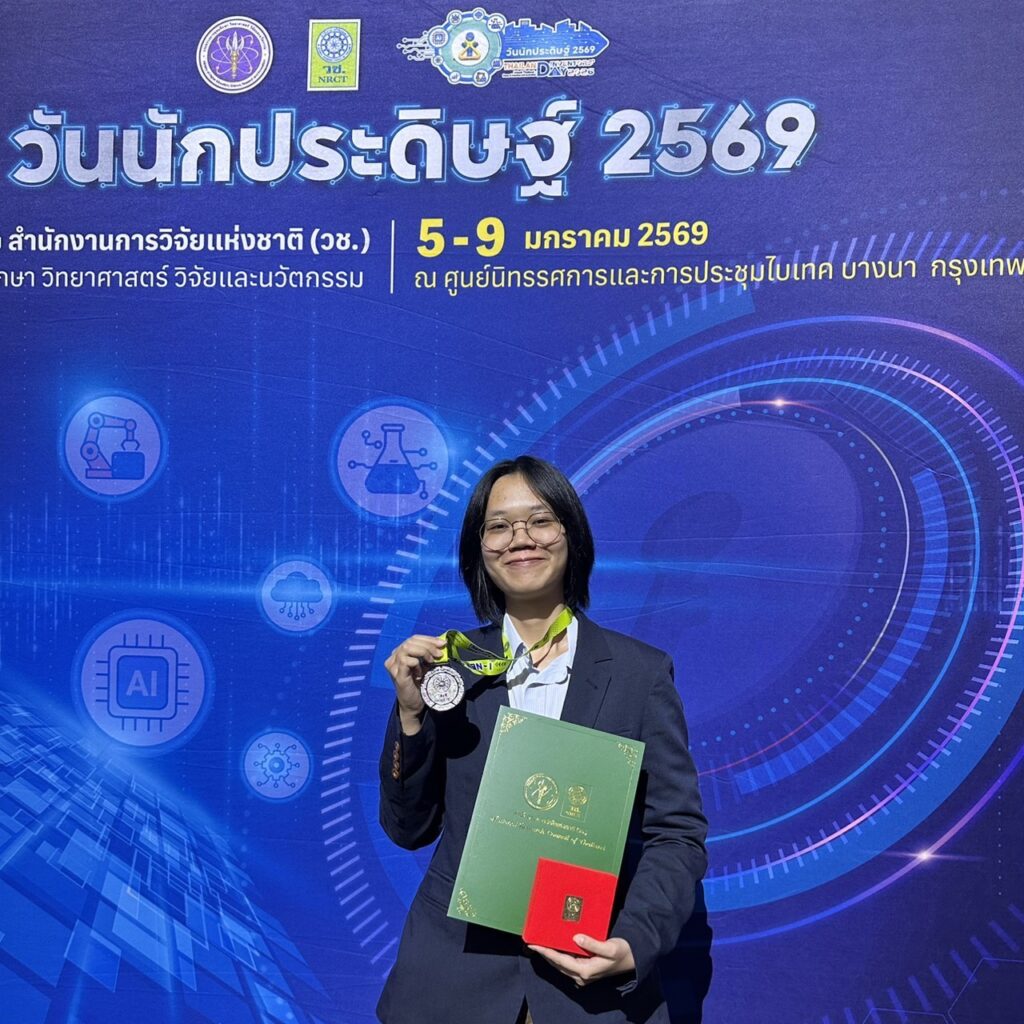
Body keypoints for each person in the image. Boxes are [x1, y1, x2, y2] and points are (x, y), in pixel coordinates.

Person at [377, 456, 708, 1024]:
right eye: (499, 526)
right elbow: (409, 829)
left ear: (571, 535)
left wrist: (633, 942)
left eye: (540, 521)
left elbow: (676, 833)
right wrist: (411, 715)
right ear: (479, 549)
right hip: (452, 982)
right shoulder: (449, 668)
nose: (520, 539)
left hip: (587, 985)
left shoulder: (640, 674)